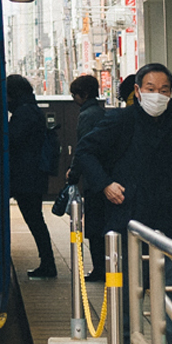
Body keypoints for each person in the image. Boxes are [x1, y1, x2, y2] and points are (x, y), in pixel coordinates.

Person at [75, 61, 172, 282]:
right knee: (129, 286)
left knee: (170, 286)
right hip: (128, 215)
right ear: (138, 91)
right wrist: (105, 184)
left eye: (163, 90)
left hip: (168, 218)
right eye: (150, 89)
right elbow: (85, 151)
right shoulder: (121, 120)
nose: (157, 95)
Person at [7, 75, 60, 279]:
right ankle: (47, 263)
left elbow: (13, 139)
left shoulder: (24, 112)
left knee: (35, 220)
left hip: (26, 177)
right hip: (32, 175)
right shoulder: (31, 109)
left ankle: (48, 264)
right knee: (36, 220)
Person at [64, 74, 109, 278]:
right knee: (103, 223)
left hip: (93, 178)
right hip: (105, 174)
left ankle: (99, 268)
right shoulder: (101, 113)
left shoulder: (87, 115)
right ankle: (105, 266)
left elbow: (83, 147)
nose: (74, 99)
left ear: (84, 94)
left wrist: (74, 173)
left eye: (75, 94)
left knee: (94, 225)